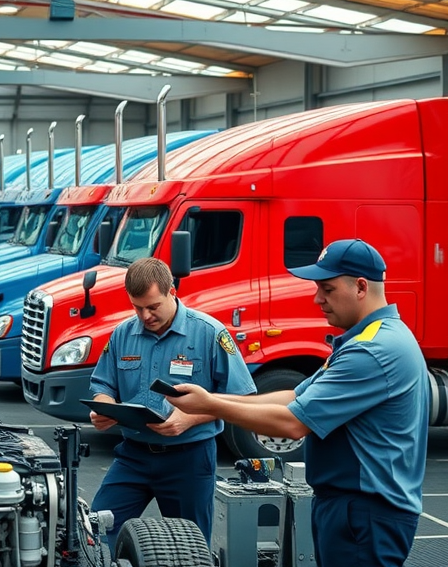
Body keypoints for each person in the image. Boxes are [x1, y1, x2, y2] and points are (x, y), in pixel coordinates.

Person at [167, 239, 428, 567]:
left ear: (361, 287)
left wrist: (211, 406)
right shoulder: (369, 338)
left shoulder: (371, 351)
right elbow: (295, 395)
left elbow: (293, 423)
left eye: (327, 289)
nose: (317, 298)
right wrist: (210, 399)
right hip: (355, 509)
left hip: (365, 513)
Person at [87, 257, 256, 549]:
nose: (145, 316)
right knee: (95, 535)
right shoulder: (122, 334)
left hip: (188, 458)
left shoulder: (209, 333)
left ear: (172, 293)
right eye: (137, 307)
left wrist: (189, 419)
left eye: (153, 307)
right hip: (133, 456)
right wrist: (104, 408)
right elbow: (103, 384)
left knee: (191, 548)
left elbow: (241, 397)